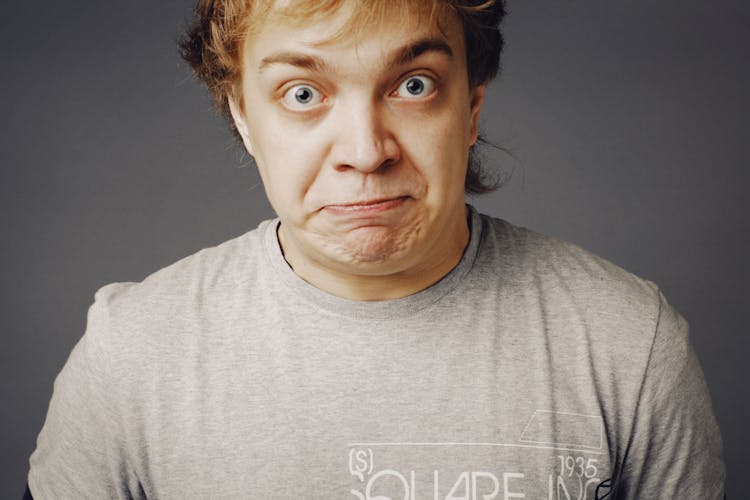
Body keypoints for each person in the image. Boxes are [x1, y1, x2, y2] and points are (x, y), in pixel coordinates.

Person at [26, 0, 725, 498]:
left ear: (472, 105)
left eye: (413, 85)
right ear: (243, 115)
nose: (365, 152)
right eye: (303, 93)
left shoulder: (627, 343)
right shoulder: (133, 351)